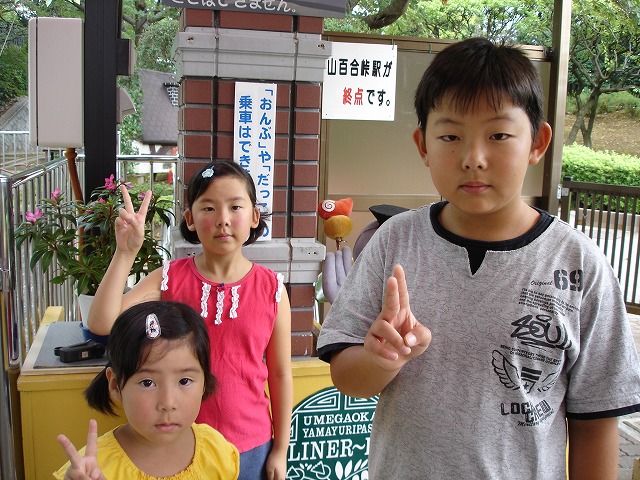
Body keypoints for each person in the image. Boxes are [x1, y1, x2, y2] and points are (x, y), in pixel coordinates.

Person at [317, 37, 640, 480]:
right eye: (451, 136)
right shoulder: (395, 240)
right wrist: (382, 359)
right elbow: (347, 377)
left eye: (499, 135)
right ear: (423, 145)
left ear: (538, 142)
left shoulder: (579, 264)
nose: (473, 158)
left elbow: (596, 423)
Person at [87, 159, 292, 480]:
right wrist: (125, 253)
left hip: (252, 446)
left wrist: (281, 447)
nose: (223, 219)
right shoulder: (169, 279)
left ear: (254, 216)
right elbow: (102, 323)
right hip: (180, 447)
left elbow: (280, 373)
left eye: (235, 207)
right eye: (208, 208)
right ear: (190, 219)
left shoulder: (272, 289)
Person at [54, 300, 239, 479]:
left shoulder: (216, 451)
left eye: (184, 381)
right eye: (148, 383)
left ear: (204, 381)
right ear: (115, 385)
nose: (168, 403)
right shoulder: (90, 469)